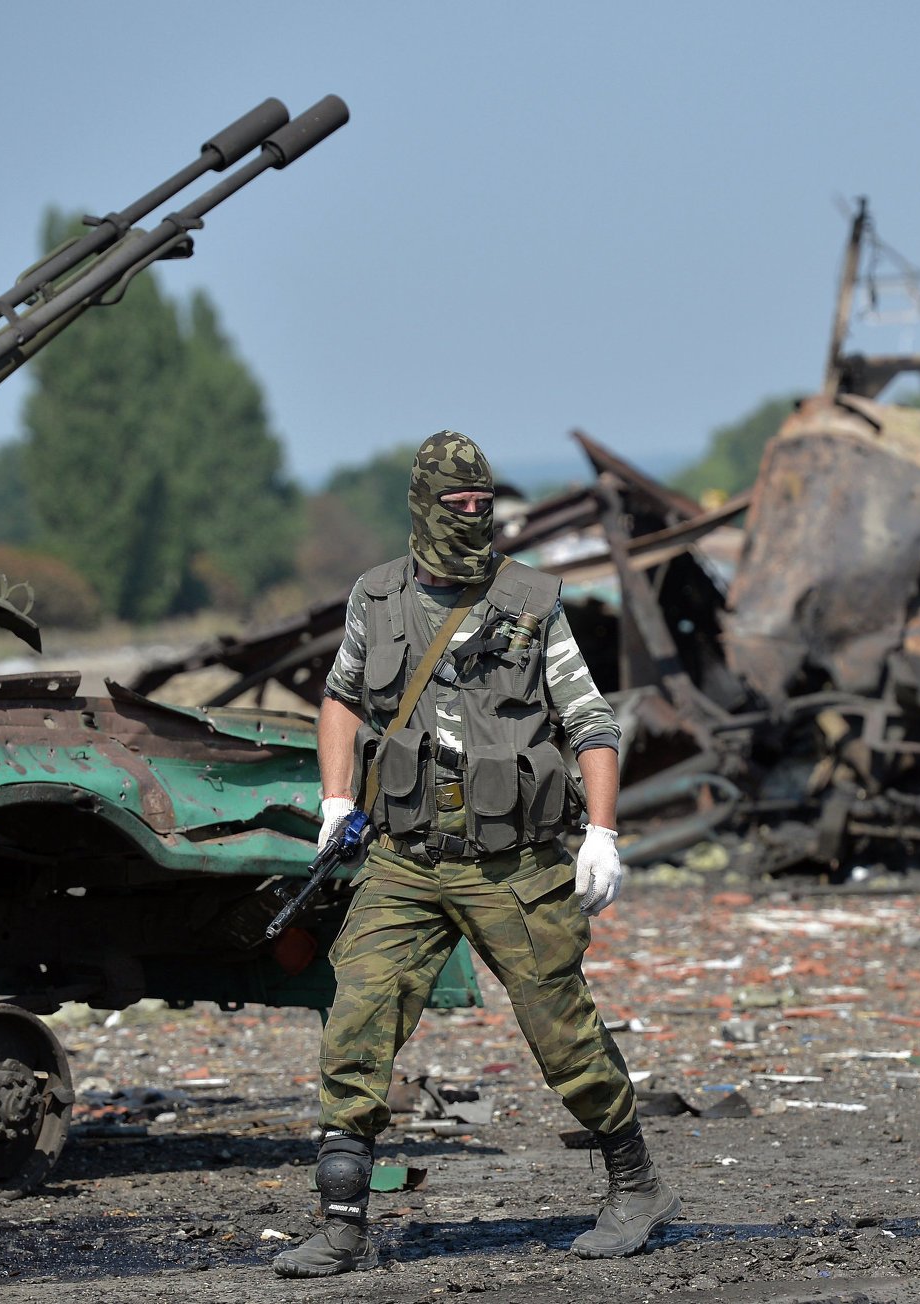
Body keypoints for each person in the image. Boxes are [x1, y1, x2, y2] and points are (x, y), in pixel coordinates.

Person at [272, 431, 680, 1278]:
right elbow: (341, 700)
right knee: (358, 1019)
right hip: (405, 861)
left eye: (481, 505)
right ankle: (341, 1221)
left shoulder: (532, 602)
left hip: (514, 865)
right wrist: (337, 800)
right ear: (422, 505)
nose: (472, 518)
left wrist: (602, 832)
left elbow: (592, 722)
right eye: (455, 506)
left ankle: (636, 1186)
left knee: (559, 1028)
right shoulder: (376, 599)